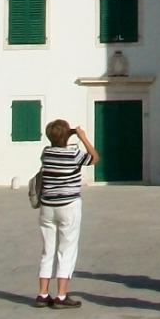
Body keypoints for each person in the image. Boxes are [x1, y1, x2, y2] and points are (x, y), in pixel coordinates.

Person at [35, 118, 96, 308]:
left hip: (47, 206)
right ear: (66, 135)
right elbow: (94, 158)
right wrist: (82, 137)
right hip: (68, 205)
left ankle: (43, 293)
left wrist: (65, 134)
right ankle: (61, 295)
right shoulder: (74, 154)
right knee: (67, 249)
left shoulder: (46, 153)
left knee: (48, 250)